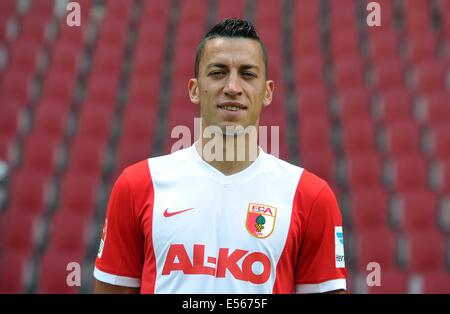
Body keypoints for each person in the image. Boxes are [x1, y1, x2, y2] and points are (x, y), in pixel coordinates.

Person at [93, 18, 347, 294]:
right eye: (218, 72)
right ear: (193, 89)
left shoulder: (310, 197)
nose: (233, 87)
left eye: (248, 74)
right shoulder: (138, 185)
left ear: (268, 92)